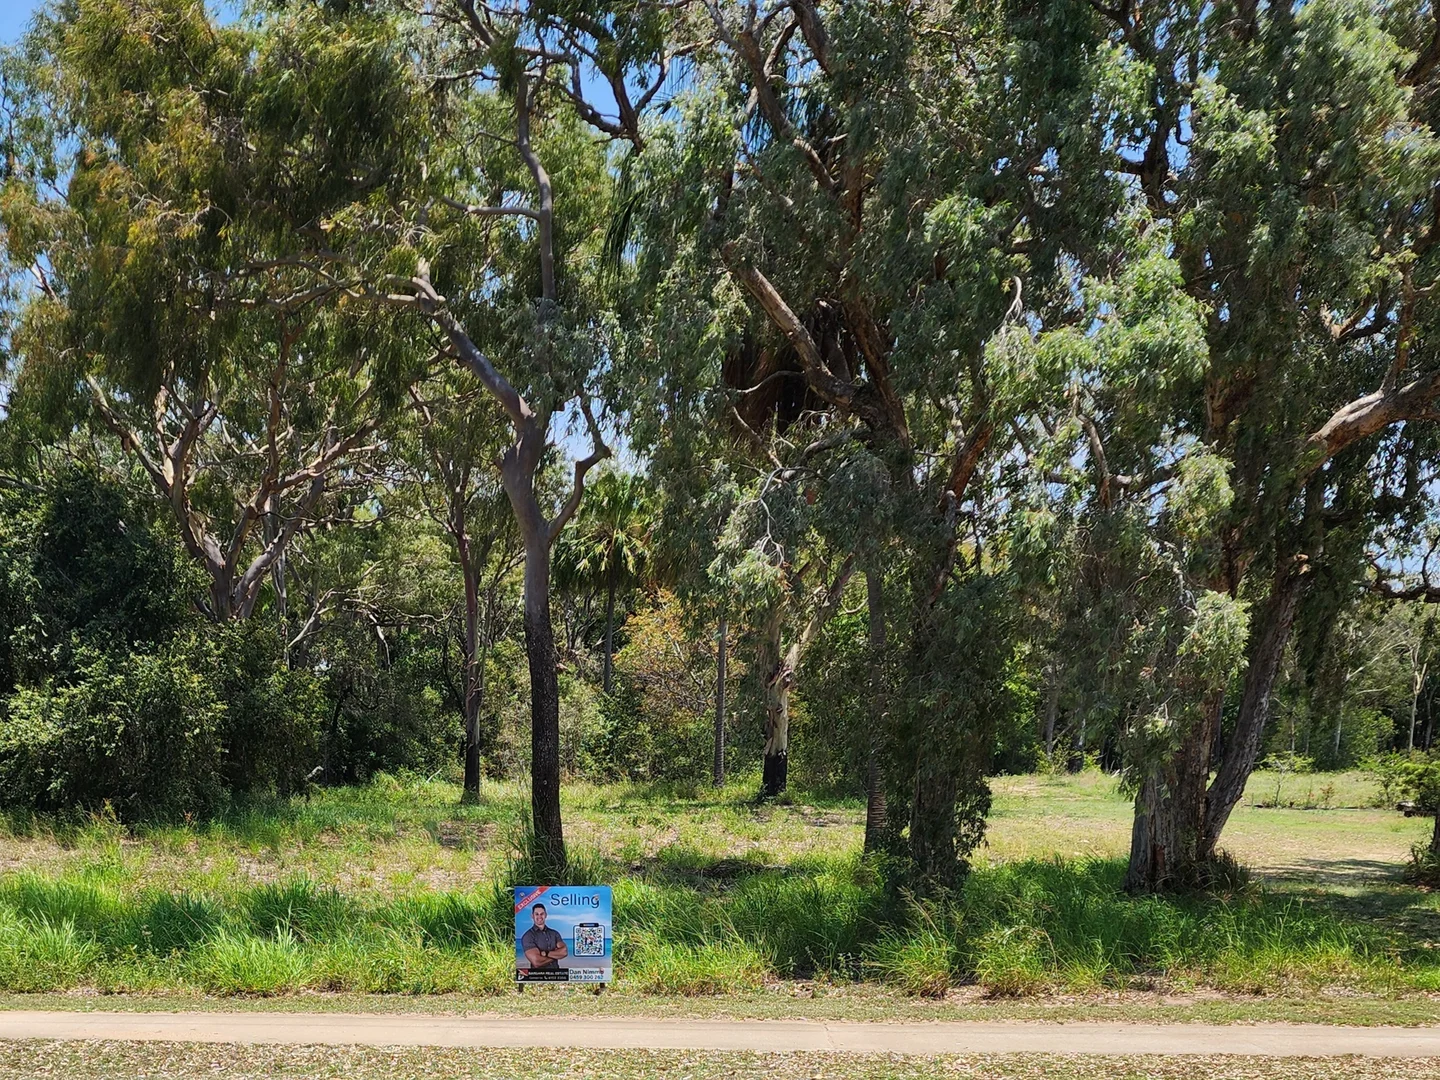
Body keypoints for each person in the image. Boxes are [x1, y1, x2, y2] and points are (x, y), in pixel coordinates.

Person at [520, 903, 567, 971]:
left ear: (546, 915)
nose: (539, 916)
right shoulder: (528, 936)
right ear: (532, 916)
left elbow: (564, 952)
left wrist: (545, 953)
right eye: (536, 914)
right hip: (538, 976)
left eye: (542, 914)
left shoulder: (554, 933)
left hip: (557, 975)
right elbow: (537, 962)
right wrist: (556, 955)